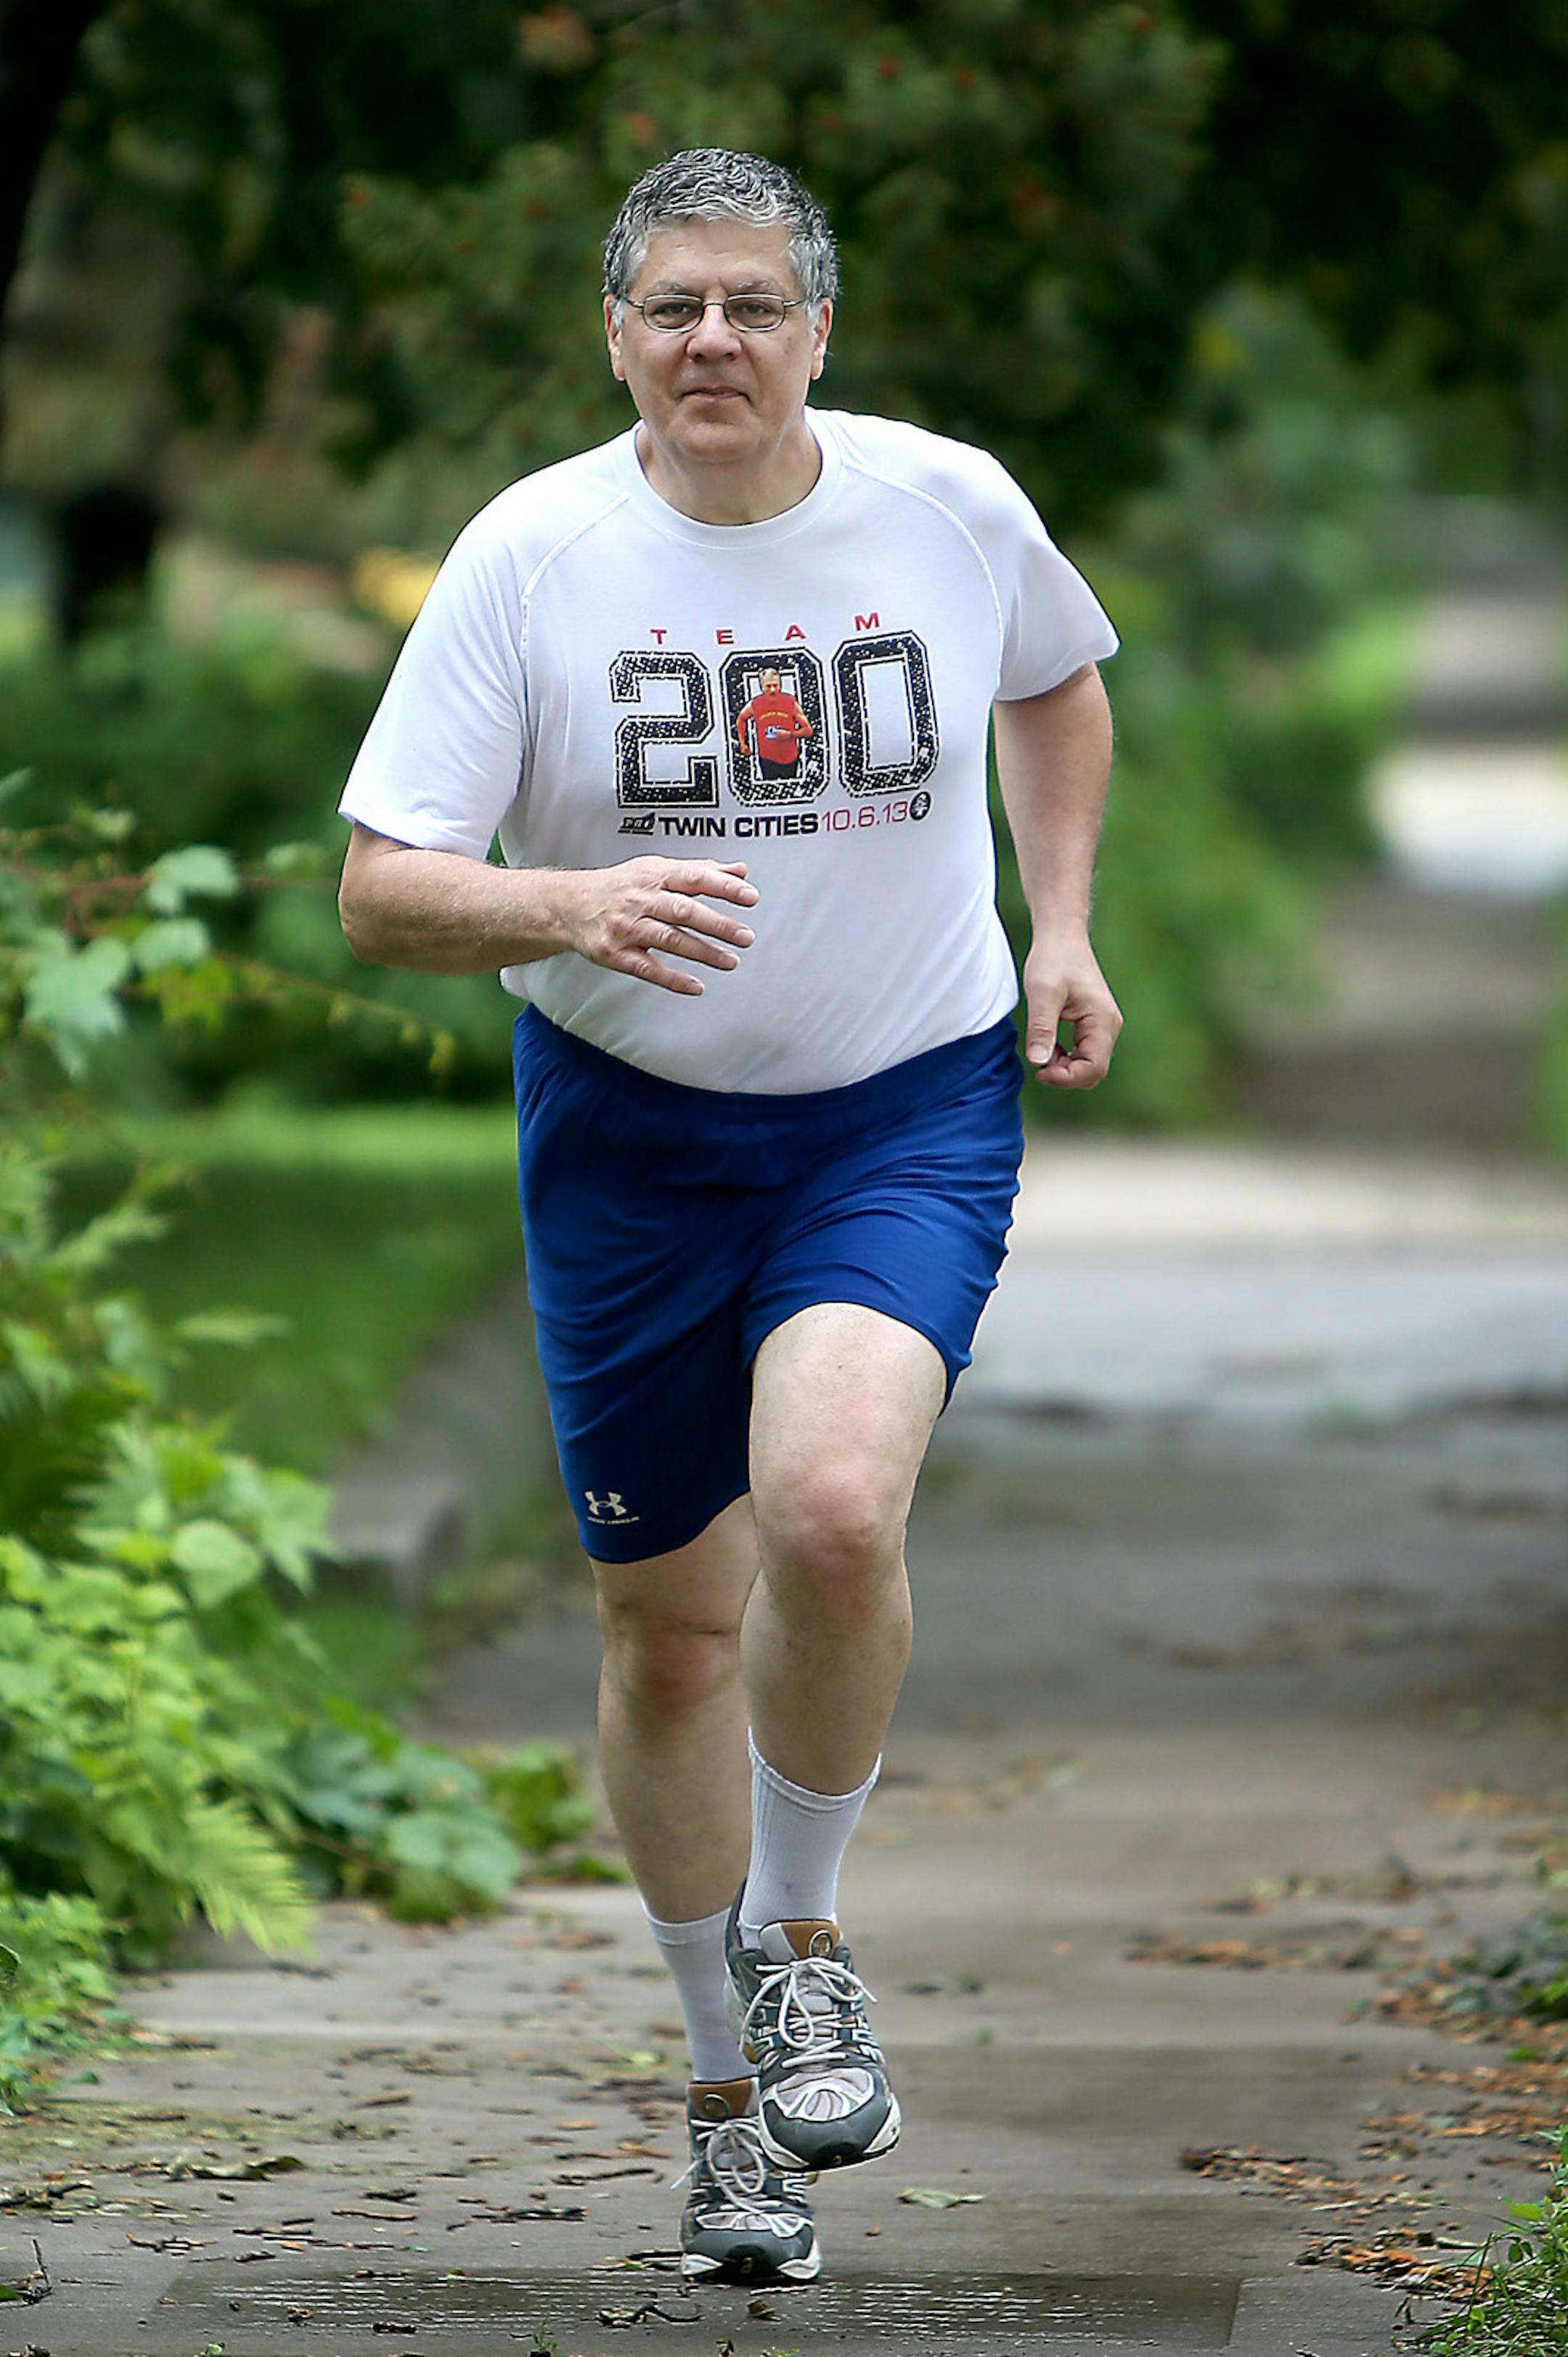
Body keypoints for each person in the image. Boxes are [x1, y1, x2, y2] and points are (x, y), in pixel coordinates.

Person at [335, 146, 1121, 2289]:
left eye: (754, 305)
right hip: (629, 1130)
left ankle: (802, 1948)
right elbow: (383, 883)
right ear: (615, 334)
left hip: (904, 1110)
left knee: (839, 1510)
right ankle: (718, 2097)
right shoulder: (533, 557)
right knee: (671, 1630)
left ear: (818, 333)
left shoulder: (949, 504)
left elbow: (1055, 679)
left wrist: (1062, 922)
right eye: (672, 306)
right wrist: (567, 899)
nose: (713, 342)